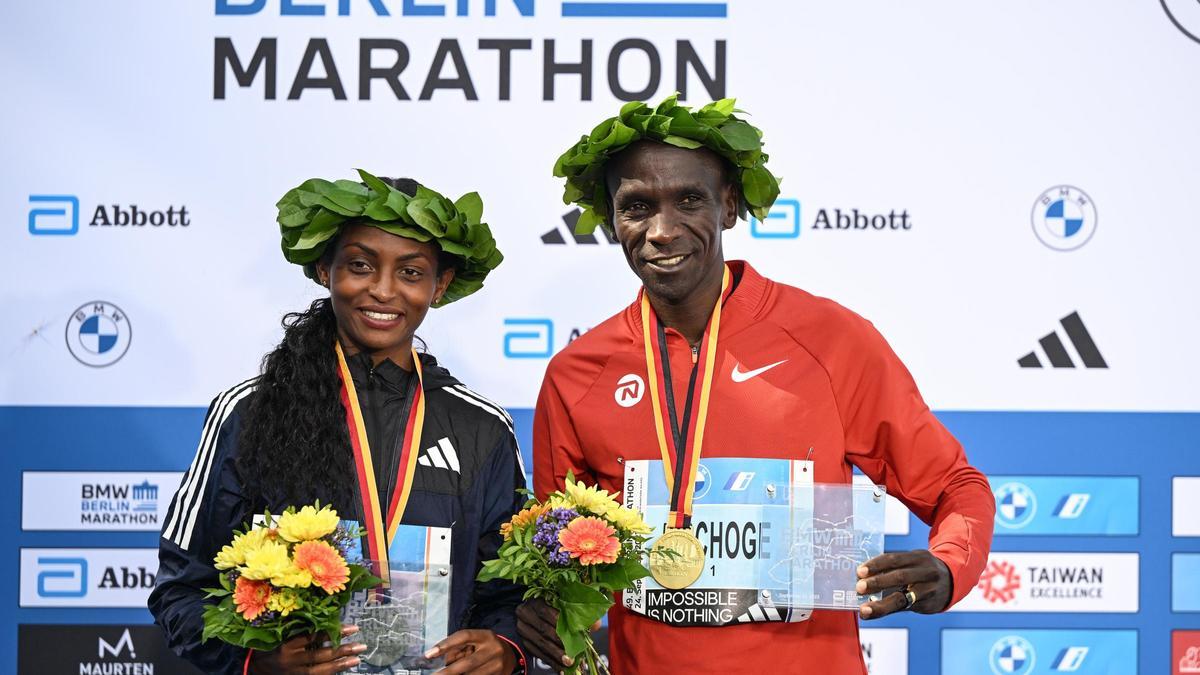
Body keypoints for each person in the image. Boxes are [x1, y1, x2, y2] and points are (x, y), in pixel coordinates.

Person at [521, 96, 996, 673]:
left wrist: (949, 567)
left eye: (689, 200)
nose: (662, 231)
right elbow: (555, 557)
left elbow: (956, 485)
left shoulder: (830, 340)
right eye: (637, 207)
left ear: (728, 206)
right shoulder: (577, 372)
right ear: (613, 218)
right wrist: (547, 608)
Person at [150, 171, 527, 675]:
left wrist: (505, 646)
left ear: (440, 286)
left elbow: (510, 592)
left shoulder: (483, 427)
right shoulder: (248, 411)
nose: (383, 290)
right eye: (360, 266)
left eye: (411, 273)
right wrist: (254, 660)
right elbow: (181, 589)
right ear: (324, 270)